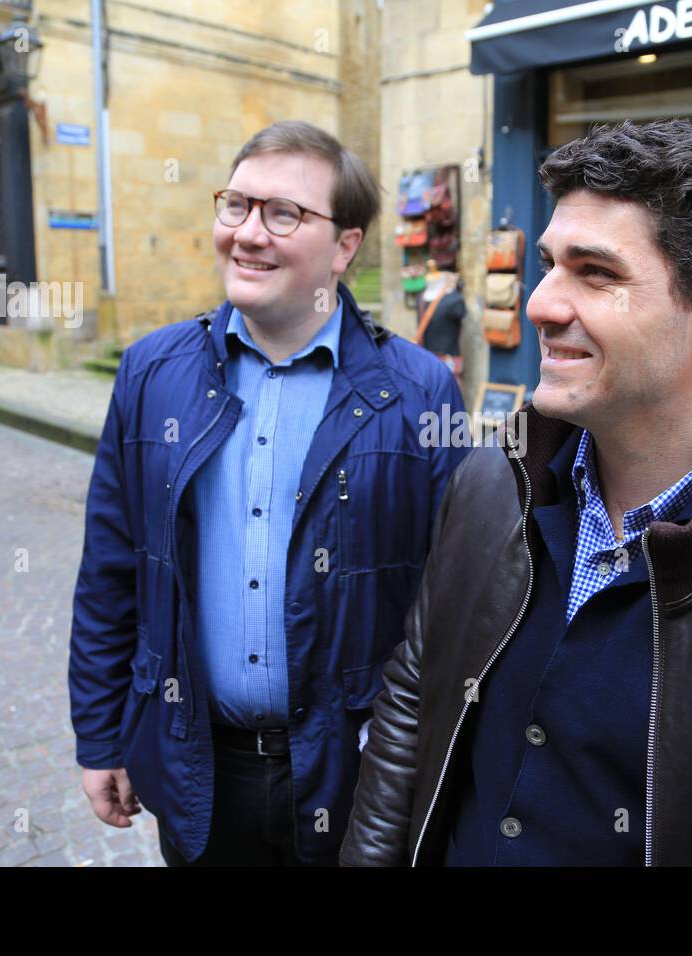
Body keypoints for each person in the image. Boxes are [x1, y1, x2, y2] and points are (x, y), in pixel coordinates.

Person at [340, 120, 692, 867]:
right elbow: (417, 696)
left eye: (596, 273)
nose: (542, 304)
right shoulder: (492, 480)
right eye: (550, 264)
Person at [69, 121, 468, 866]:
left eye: (282, 213)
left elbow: (451, 598)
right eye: (236, 206)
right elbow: (110, 572)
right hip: (196, 765)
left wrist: (419, 756)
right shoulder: (152, 374)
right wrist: (100, 737)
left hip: (353, 774)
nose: (248, 233)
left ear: (345, 247)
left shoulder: (419, 391)